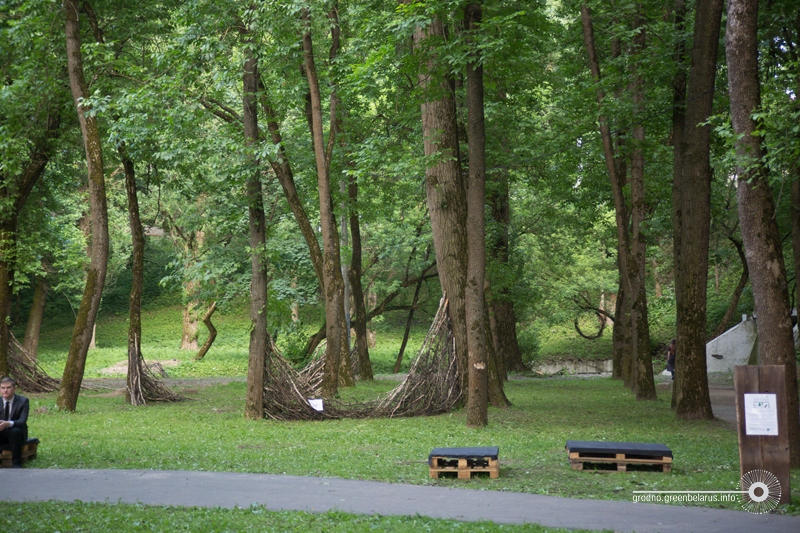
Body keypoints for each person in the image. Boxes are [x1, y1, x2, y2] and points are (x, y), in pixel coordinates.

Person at [0, 377, 29, 468]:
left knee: (15, 431)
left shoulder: (23, 401)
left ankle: (16, 463)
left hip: (17, 432)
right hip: (1, 431)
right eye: (3, 388)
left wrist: (7, 423)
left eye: (8, 388)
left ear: (14, 389)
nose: (5, 390)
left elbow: (22, 422)